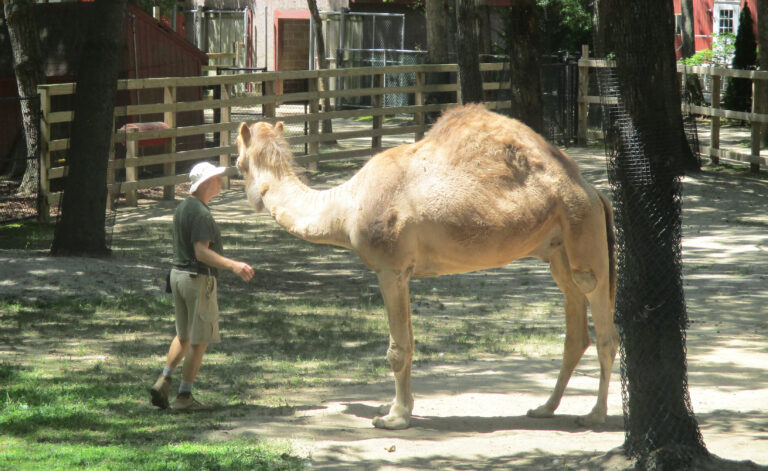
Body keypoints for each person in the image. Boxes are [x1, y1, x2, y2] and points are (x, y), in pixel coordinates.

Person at [150, 162, 255, 411]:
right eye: (216, 178)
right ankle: (184, 397)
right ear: (204, 183)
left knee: (183, 335)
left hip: (177, 276)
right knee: (199, 341)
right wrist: (233, 265)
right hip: (197, 280)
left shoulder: (183, 207)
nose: (220, 181)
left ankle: (164, 380)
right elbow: (201, 252)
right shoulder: (201, 213)